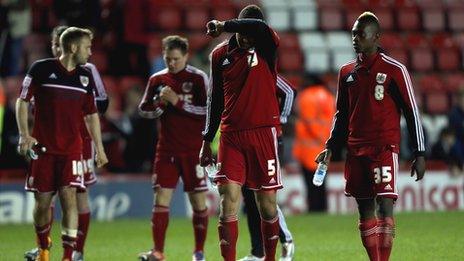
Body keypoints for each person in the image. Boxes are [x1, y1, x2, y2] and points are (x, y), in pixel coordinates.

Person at [315, 12, 426, 261]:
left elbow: (412, 112)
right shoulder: (346, 72)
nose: (355, 38)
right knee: (365, 209)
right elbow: (341, 115)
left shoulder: (395, 69)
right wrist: (331, 146)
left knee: (385, 205)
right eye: (353, 33)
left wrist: (420, 152)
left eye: (360, 33)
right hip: (356, 150)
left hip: (384, 147)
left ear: (376, 36)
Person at [16, 26, 108, 261]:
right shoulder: (41, 69)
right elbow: (22, 101)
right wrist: (24, 135)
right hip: (44, 149)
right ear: (74, 47)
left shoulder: (85, 76)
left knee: (70, 200)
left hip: (72, 150)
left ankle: (68, 256)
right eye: (87, 47)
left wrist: (99, 147)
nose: (90, 53)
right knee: (43, 203)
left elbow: (91, 114)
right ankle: (43, 248)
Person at [200, 5, 282, 261]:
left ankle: (269, 258)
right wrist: (206, 139)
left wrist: (225, 25)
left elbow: (258, 27)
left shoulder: (267, 45)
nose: (246, 39)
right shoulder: (220, 55)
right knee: (228, 201)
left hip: (263, 134)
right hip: (232, 136)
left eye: (249, 34)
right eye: (242, 34)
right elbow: (215, 101)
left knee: (267, 205)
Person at [137, 35, 209, 261]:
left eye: (176, 59)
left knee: (198, 202)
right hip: (166, 149)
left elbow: (207, 112)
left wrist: (178, 102)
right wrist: (160, 104)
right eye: (168, 59)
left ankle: (199, 252)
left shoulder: (198, 79)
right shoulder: (157, 79)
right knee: (161, 199)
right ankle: (158, 251)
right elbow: (143, 110)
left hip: (193, 150)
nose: (172, 64)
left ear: (186, 56)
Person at [239, 75, 296, 261]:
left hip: (269, 139)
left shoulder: (264, 71)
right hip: (245, 141)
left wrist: (279, 119)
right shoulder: (232, 71)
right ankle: (258, 252)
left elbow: (289, 91)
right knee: (249, 197)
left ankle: (286, 241)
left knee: (264, 194)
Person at [293, 77, 335, 212]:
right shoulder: (329, 96)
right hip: (323, 148)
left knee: (311, 186)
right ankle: (322, 209)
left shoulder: (305, 96)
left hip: (307, 149)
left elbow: (309, 121)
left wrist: (319, 137)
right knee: (321, 183)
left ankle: (314, 209)